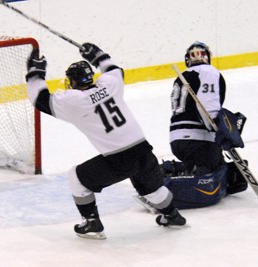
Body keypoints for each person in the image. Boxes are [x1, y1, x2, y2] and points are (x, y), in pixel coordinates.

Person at [25, 42, 186, 240]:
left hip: (119, 159)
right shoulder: (110, 85)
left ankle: (92, 223)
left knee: (76, 177)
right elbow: (114, 69)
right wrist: (98, 56)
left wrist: (35, 73)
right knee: (153, 190)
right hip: (144, 150)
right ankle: (172, 215)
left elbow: (39, 99)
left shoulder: (74, 101)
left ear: (73, 82)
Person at [162, 41, 248, 209]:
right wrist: (221, 130)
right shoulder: (208, 72)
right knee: (214, 176)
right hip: (199, 140)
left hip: (177, 141)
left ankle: (175, 170)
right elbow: (208, 108)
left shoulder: (182, 77)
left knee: (219, 166)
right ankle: (169, 175)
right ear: (207, 57)